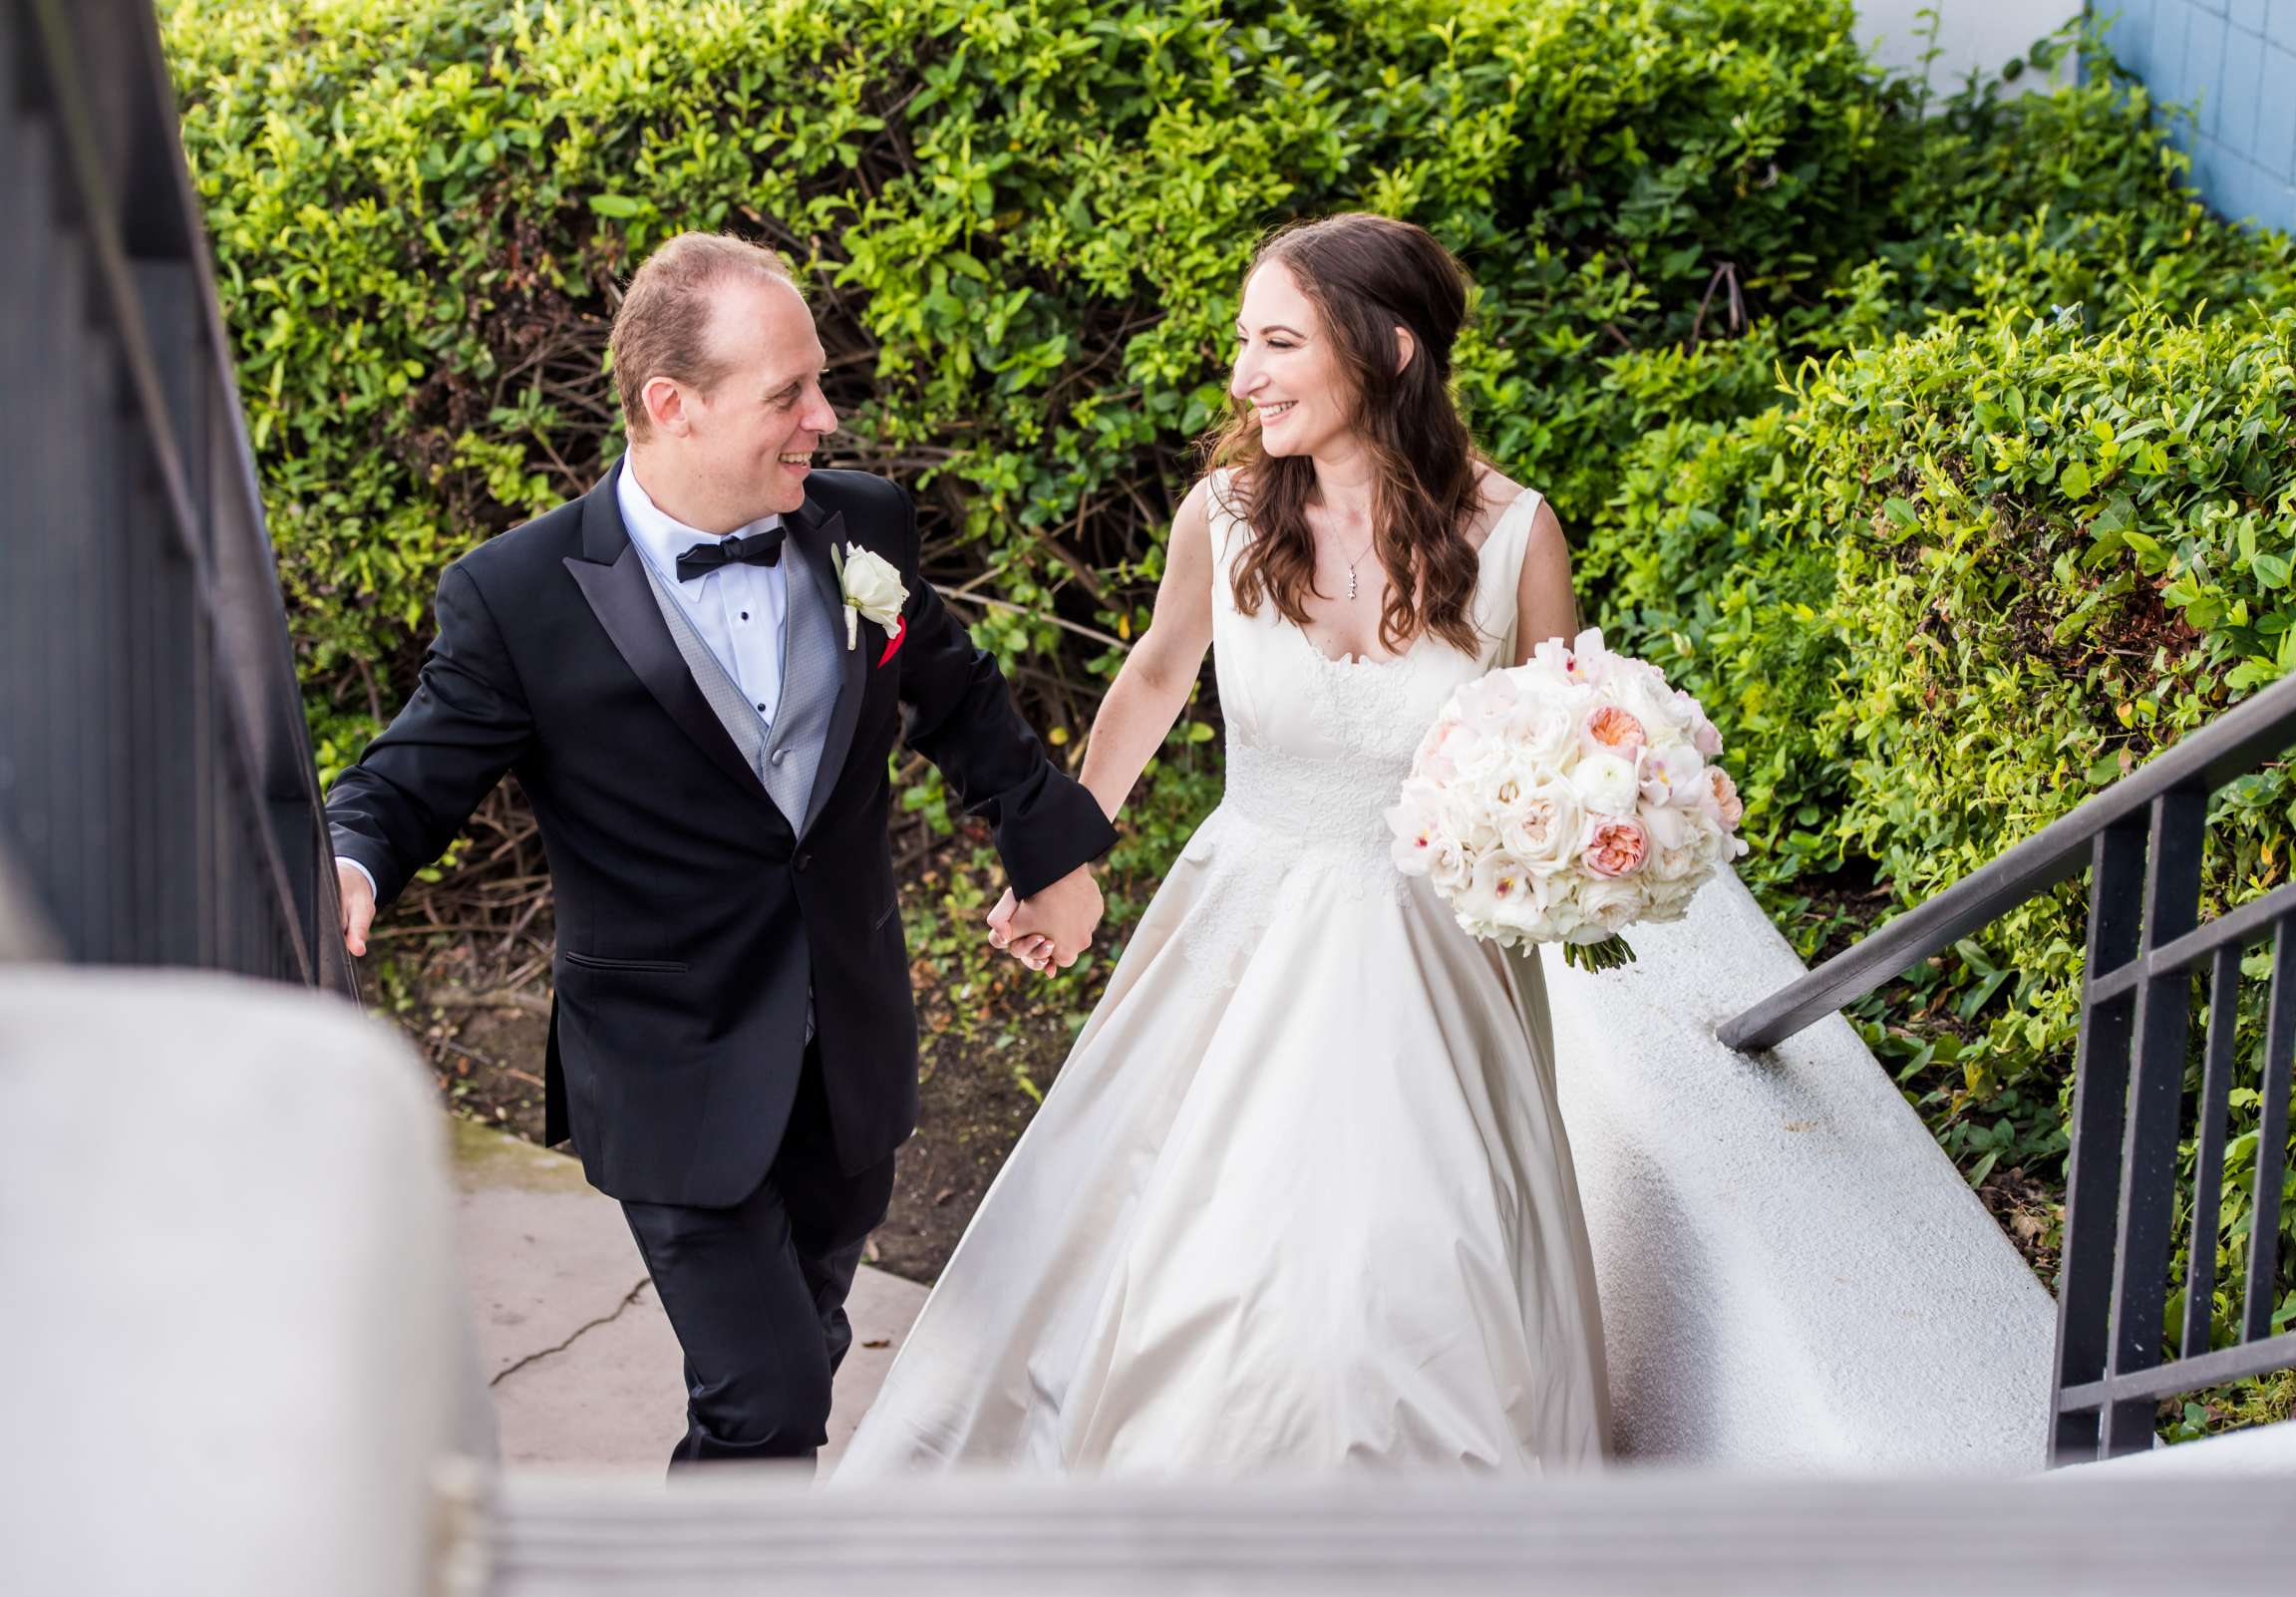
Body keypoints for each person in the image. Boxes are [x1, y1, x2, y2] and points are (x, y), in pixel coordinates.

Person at [324, 231, 1117, 1472]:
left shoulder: (862, 528)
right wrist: (352, 859)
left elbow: (963, 703)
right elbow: (411, 773)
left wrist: (1051, 851)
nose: (826, 413)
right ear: (670, 406)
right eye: (789, 392)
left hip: (846, 1048)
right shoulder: (520, 595)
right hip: (669, 1068)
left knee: (793, 1353)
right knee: (771, 1403)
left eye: (818, 381)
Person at [835, 213, 1613, 1474]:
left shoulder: (1518, 536)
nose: (1244, 375)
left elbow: (1563, 741)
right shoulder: (1226, 514)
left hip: (1432, 964)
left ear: (1392, 349)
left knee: (1409, 1275)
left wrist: (1588, 842)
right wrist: (1059, 853)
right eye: (1243, 342)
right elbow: (1153, 677)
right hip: (1241, 929)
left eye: (1278, 341)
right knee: (1190, 1254)